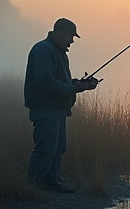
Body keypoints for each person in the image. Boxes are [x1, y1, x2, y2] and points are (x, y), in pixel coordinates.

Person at [24, 17, 99, 193]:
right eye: (70, 36)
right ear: (59, 33)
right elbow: (45, 82)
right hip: (46, 109)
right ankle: (32, 187)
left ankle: (51, 182)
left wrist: (81, 84)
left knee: (59, 148)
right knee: (46, 149)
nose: (72, 41)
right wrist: (75, 88)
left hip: (58, 110)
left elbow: (60, 81)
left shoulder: (58, 52)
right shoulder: (43, 50)